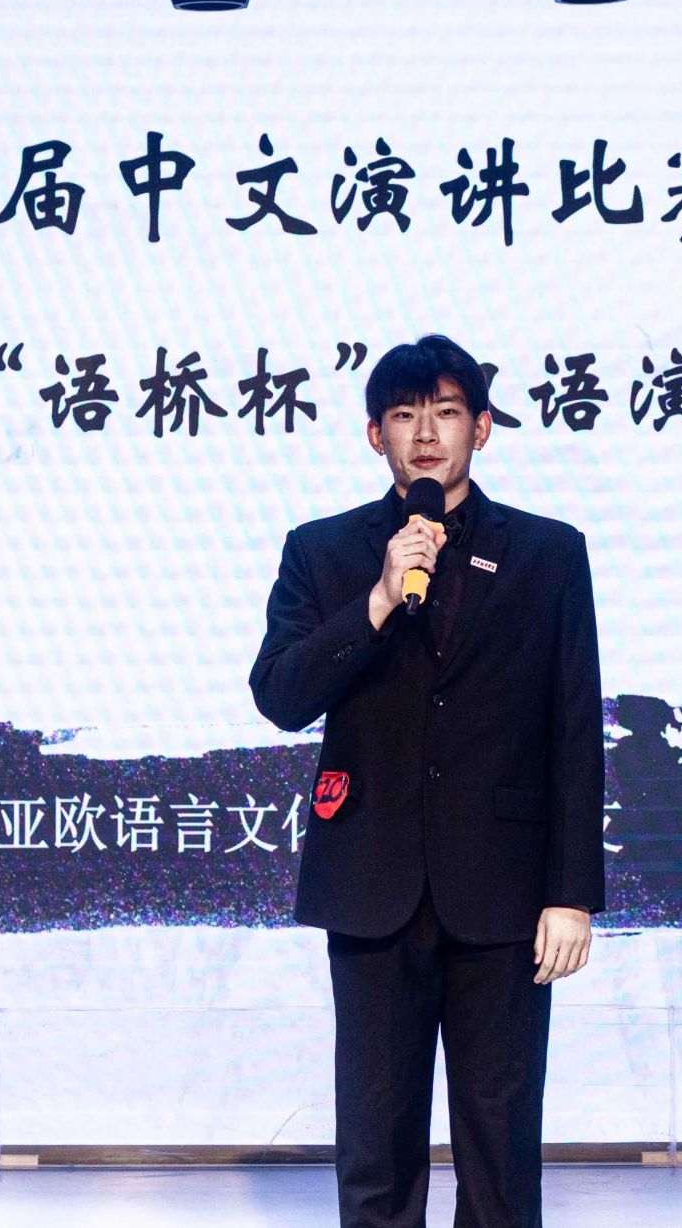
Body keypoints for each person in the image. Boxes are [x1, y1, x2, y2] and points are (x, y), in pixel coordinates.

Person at [249, 333, 606, 1228]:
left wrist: (571, 894)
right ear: (376, 435)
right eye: (404, 415)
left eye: (446, 412)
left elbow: (572, 727)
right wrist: (376, 600)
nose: (426, 433)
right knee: (376, 1146)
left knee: (500, 1148)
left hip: (503, 892)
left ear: (481, 428)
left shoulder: (549, 553)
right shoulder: (323, 551)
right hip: (371, 885)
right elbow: (280, 695)